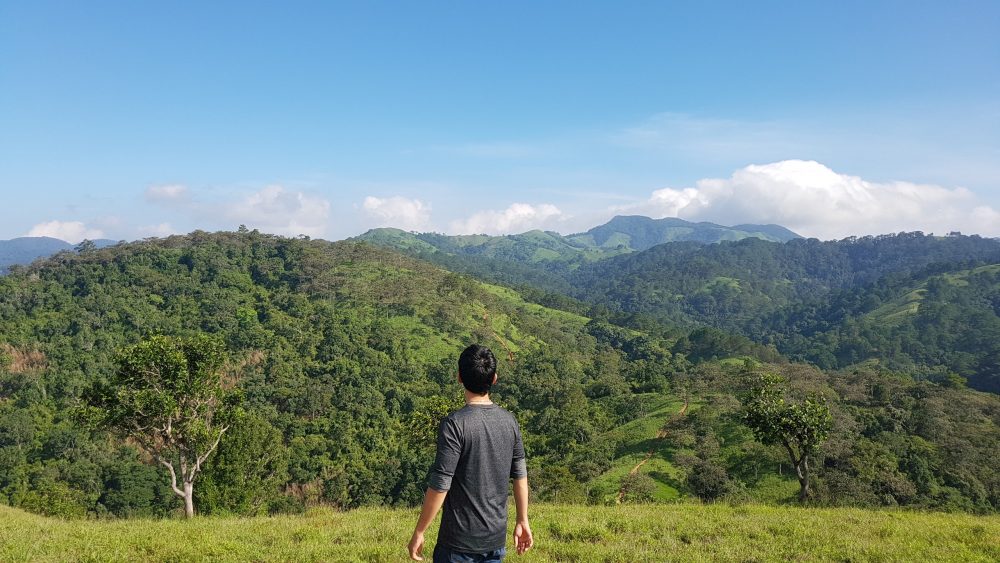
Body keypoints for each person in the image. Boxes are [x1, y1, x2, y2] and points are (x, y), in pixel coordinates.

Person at [408, 344, 534, 562]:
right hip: (495, 542)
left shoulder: (454, 424)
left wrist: (420, 531)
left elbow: (441, 483)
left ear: (459, 377)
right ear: (494, 378)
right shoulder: (509, 421)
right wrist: (522, 519)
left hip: (457, 544)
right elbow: (520, 475)